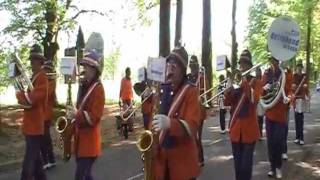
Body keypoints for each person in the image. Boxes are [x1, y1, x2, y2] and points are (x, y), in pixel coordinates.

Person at [152, 47, 201, 180]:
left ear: (183, 69)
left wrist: (170, 124)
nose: (171, 68)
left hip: (182, 165)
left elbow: (192, 127)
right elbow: (154, 122)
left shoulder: (191, 91)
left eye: (176, 65)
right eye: (169, 63)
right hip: (162, 163)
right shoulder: (161, 90)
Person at [224, 50, 260, 180]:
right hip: (236, 129)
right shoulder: (235, 82)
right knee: (238, 166)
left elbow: (254, 100)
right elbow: (227, 102)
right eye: (241, 64)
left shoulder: (255, 82)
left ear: (250, 66)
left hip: (249, 130)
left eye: (245, 64)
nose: (242, 66)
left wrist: (243, 81)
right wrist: (229, 89)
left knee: (246, 166)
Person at [16, 44, 48, 180]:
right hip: (30, 126)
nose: (31, 62)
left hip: (35, 127)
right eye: (31, 59)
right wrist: (17, 81)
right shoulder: (34, 77)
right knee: (37, 163)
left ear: (40, 61)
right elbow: (27, 100)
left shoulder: (42, 78)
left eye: (35, 59)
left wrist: (18, 93)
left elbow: (30, 101)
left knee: (29, 163)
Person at [73, 51, 105, 180]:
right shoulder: (84, 86)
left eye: (86, 66)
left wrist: (77, 114)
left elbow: (94, 117)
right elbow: (80, 107)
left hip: (90, 143)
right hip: (80, 141)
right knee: (86, 176)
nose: (83, 69)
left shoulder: (98, 89)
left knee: (80, 176)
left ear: (93, 69)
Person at [262, 56, 292, 179]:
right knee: (270, 143)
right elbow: (261, 92)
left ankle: (278, 167)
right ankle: (272, 167)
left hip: (280, 114)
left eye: (275, 60)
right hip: (269, 112)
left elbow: (290, 91)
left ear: (279, 61)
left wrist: (289, 98)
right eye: (272, 60)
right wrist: (264, 89)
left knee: (278, 142)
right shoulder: (266, 73)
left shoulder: (285, 74)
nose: (273, 62)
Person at [187, 55, 206, 167]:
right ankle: (193, 157)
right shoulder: (188, 78)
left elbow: (206, 92)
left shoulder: (202, 78)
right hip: (190, 110)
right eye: (191, 65)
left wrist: (201, 98)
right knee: (191, 136)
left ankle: (200, 158)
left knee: (197, 136)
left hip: (199, 111)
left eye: (194, 65)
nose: (192, 67)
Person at [41, 60, 56, 170]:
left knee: (45, 139)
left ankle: (49, 160)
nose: (45, 71)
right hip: (41, 115)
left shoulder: (51, 82)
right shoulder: (44, 81)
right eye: (44, 69)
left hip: (46, 115)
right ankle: (48, 160)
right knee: (43, 138)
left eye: (46, 70)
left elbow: (46, 93)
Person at [292, 62, 309, 145]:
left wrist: (305, 88)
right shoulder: (294, 76)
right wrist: (293, 87)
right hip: (295, 99)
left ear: (302, 68)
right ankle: (297, 137)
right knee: (296, 119)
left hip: (301, 99)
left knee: (300, 119)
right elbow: (292, 87)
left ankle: (301, 138)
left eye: (300, 67)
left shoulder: (304, 76)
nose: (299, 68)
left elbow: (306, 86)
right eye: (298, 67)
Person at [119, 67, 134, 131]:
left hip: (129, 99)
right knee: (127, 112)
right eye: (128, 72)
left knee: (131, 112)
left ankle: (130, 127)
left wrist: (133, 98)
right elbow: (121, 89)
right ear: (126, 72)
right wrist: (119, 99)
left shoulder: (130, 80)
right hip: (124, 99)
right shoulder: (123, 80)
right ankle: (124, 124)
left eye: (130, 72)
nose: (129, 73)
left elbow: (131, 90)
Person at [255, 67, 265, 140]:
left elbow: (264, 90)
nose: (257, 73)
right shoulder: (254, 80)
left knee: (260, 118)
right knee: (255, 118)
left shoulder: (263, 80)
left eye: (259, 71)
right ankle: (256, 133)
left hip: (261, 101)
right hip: (255, 101)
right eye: (256, 71)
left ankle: (260, 134)